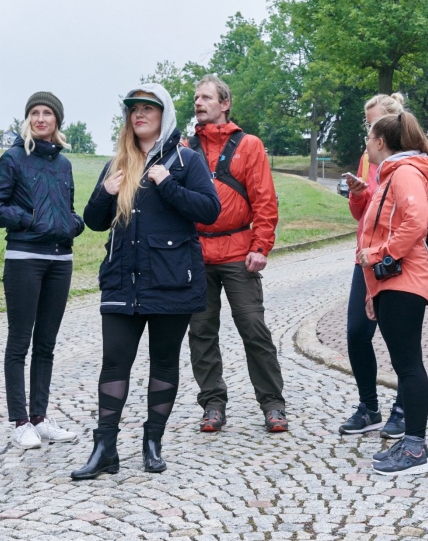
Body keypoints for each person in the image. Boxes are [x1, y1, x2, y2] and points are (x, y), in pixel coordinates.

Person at [71, 84, 220, 479]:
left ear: (163, 114)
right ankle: (104, 448)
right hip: (123, 280)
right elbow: (94, 220)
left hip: (171, 281)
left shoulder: (186, 161)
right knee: (114, 363)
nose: (139, 114)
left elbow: (210, 211)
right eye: (134, 109)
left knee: (164, 363)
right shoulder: (117, 163)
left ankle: (152, 443)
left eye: (148, 109)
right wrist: (106, 192)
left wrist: (167, 183)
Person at [339, 93, 428, 439]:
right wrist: (358, 195)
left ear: (388, 131)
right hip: (373, 261)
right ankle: (371, 407)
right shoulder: (378, 162)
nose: (367, 133)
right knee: (359, 333)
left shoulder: (409, 164)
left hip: (395, 263)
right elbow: (368, 213)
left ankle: (409, 430)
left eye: (371, 126)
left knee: (406, 357)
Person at [0, 92, 84, 449]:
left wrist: (74, 223)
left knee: (47, 344)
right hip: (24, 259)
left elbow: (67, 209)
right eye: (35, 113)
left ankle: (40, 418)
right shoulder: (13, 159)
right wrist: (28, 220)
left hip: (60, 261)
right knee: (20, 341)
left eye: (47, 113)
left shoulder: (64, 165)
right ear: (27, 119)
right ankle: (20, 421)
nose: (41, 119)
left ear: (57, 120)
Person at [185, 76, 288, 433]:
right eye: (196, 97)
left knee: (253, 328)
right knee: (200, 332)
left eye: (206, 97)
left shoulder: (250, 145)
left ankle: (273, 404)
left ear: (225, 103)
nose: (199, 102)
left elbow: (265, 201)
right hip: (197, 255)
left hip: (239, 253)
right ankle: (212, 403)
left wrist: (261, 247)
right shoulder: (184, 148)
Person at [356, 111, 428, 476]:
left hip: (405, 280)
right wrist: (371, 290)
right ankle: (410, 441)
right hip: (391, 282)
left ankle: (414, 449)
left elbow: (415, 222)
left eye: (368, 137)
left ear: (380, 142)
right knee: (405, 363)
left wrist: (378, 255)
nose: (366, 144)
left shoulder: (405, 173)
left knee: (409, 365)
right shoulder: (393, 173)